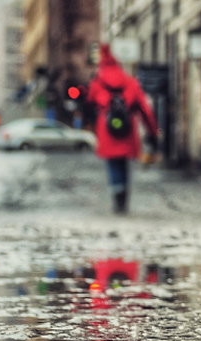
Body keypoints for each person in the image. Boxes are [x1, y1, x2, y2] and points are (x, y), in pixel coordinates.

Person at [86, 43, 159, 214]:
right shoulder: (131, 82)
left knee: (113, 164)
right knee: (125, 164)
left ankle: (117, 198)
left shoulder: (97, 83)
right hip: (127, 128)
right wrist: (152, 132)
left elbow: (89, 101)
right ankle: (124, 198)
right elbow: (145, 110)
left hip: (107, 130)